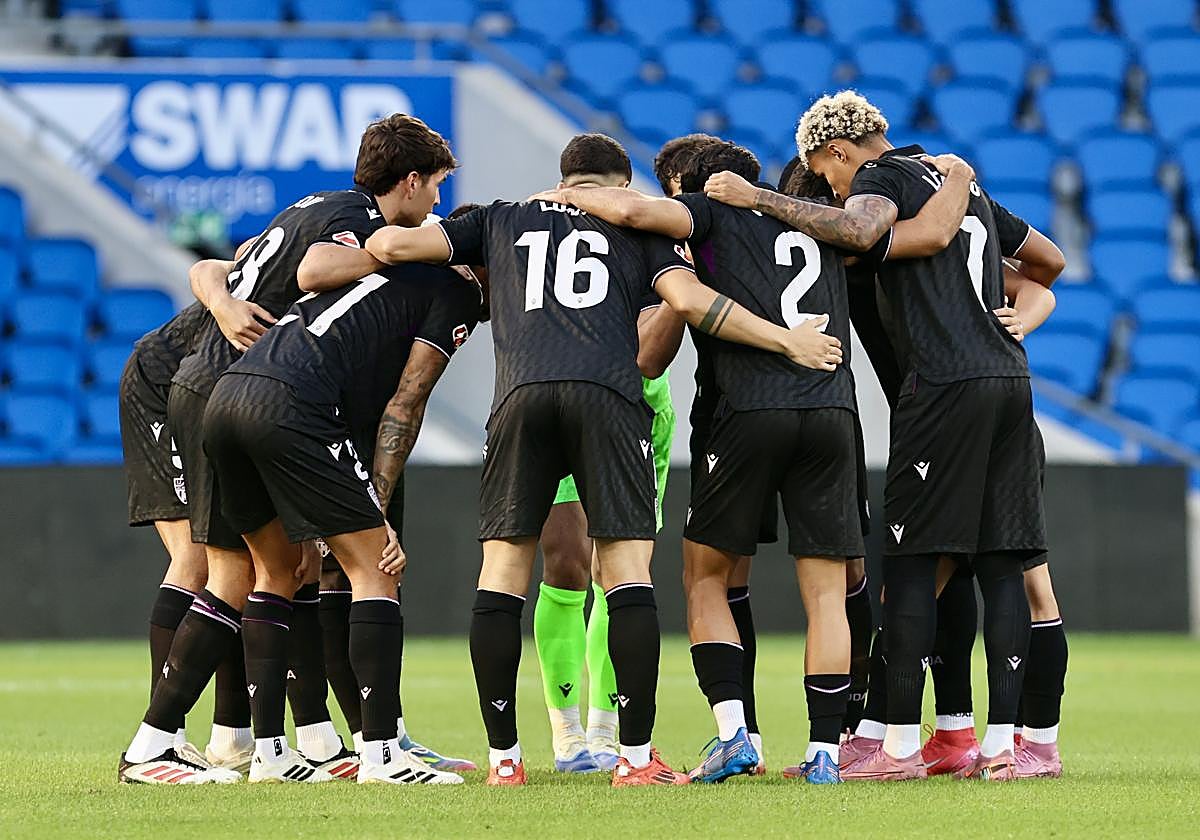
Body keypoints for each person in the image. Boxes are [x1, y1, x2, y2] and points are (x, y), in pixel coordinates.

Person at [358, 132, 844, 786]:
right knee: (625, 571)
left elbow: (388, 245)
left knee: (502, 573)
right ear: (618, 184)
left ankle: (505, 760)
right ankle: (635, 760)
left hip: (521, 396)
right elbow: (692, 301)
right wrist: (786, 341)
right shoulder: (637, 222)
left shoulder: (502, 215)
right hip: (610, 397)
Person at [537, 138, 979, 784]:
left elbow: (634, 231)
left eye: (673, 186)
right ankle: (829, 752)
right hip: (832, 411)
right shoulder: (815, 220)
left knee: (704, 576)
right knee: (827, 589)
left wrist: (563, 198)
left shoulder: (707, 217)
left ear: (693, 183)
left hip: (745, 411)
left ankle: (734, 735)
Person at [705, 90, 1064, 781]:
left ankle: (895, 746)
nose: (836, 194)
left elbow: (868, 232)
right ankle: (1002, 745)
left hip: (943, 387)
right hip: (1008, 380)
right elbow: (1045, 265)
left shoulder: (880, 183)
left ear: (839, 153)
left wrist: (757, 199)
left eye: (830, 176)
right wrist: (1025, 311)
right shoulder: (954, 181)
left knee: (909, 565)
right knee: (1000, 564)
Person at [117, 114, 457, 785]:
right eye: (437, 188)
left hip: (222, 382)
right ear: (411, 181)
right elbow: (314, 266)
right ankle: (162, 743)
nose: (438, 205)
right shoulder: (358, 222)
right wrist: (407, 252)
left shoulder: (316, 205)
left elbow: (222, 264)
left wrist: (219, 299)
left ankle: (265, 745)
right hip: (203, 383)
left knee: (283, 567)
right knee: (216, 568)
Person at [199, 218, 487, 785]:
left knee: (277, 572)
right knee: (377, 567)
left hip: (230, 396)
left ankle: (270, 754)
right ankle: (383, 755)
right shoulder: (457, 291)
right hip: (292, 404)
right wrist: (376, 508)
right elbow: (406, 402)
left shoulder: (375, 274)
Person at [529, 138, 699, 775]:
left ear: (628, 188)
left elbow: (651, 354)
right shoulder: (534, 232)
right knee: (566, 564)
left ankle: (607, 732)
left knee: (617, 571)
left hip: (635, 409)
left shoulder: (648, 234)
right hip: (556, 404)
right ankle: (568, 736)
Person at [119, 301, 253, 767]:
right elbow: (213, 267)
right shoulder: (335, 238)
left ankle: (233, 737)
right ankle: (163, 737)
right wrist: (221, 301)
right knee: (198, 558)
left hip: (219, 395)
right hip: (166, 383)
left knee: (241, 559)